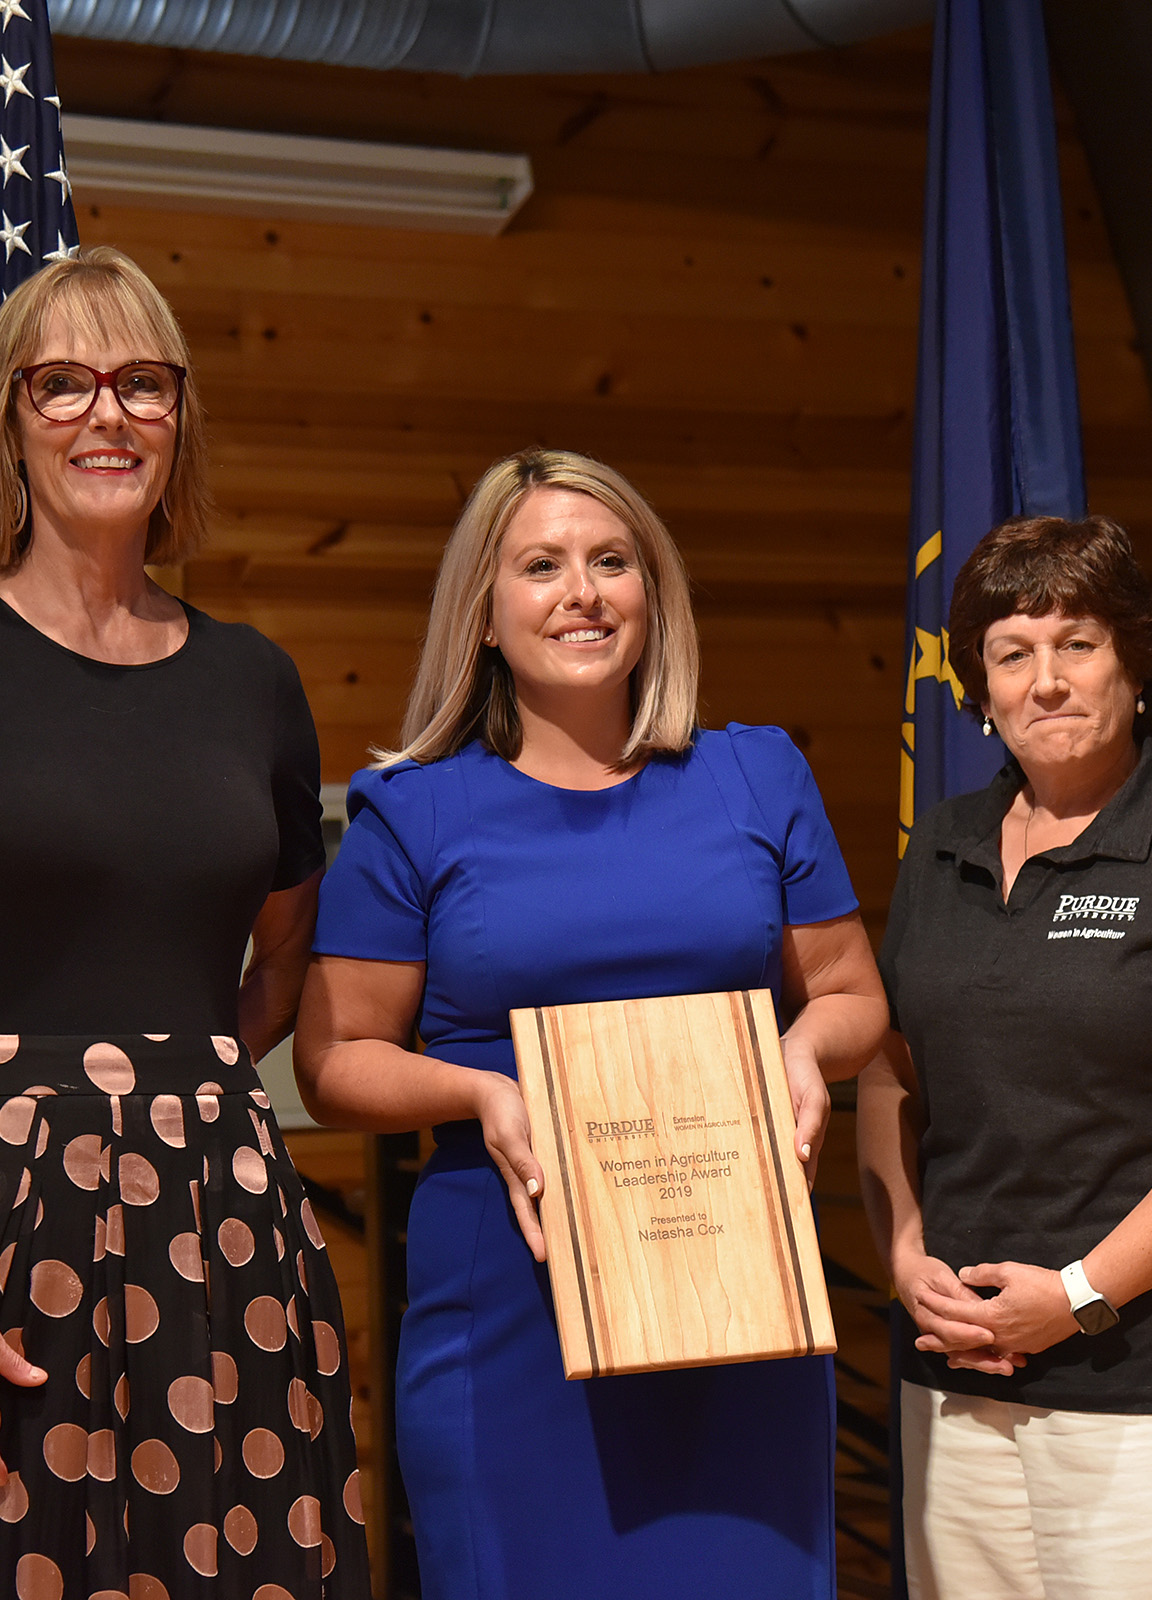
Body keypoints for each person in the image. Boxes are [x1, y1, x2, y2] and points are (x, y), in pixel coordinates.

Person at [0, 246, 367, 1599]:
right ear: (8, 420)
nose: (107, 415)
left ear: (180, 417)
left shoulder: (256, 682)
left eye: (142, 383)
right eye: (63, 384)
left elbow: (284, 952)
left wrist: (170, 1091)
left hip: (224, 1230)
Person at [293, 448, 886, 1599]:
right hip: (516, 1298)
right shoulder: (414, 809)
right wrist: (483, 1092)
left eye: (612, 561)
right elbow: (334, 1059)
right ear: (482, 614)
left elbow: (855, 996)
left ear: (651, 594)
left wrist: (805, 1053)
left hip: (739, 1299)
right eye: (542, 566)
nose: (583, 591)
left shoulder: (757, 776)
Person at [859, 514, 1152, 1599]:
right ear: (978, 683)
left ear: (1134, 657)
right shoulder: (941, 848)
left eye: (1078, 643)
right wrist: (905, 1257)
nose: (1048, 681)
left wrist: (1076, 1294)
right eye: (1012, 653)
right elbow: (891, 1072)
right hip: (961, 1389)